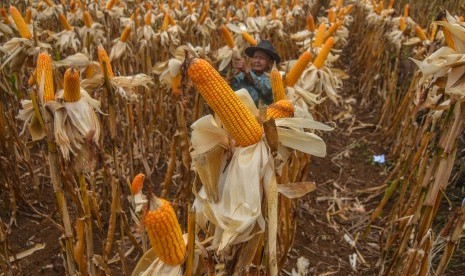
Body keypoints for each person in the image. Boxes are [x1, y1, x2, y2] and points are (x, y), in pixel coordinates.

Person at [230, 40, 281, 107]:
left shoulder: (273, 79)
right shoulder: (242, 75)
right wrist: (232, 72)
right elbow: (232, 88)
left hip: (264, 116)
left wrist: (248, 73)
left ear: (270, 62)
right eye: (255, 57)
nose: (257, 61)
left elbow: (267, 88)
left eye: (261, 58)